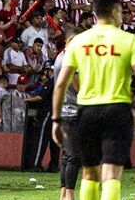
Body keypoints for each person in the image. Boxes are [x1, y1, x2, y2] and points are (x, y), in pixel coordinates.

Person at [51, 0, 135, 200]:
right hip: (117, 111)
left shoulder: (79, 42)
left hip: (87, 112)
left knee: (90, 174)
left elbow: (60, 85)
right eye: (121, 12)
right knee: (111, 175)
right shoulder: (128, 40)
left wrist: (56, 120)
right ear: (114, 12)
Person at [53, 27, 82, 200]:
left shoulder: (59, 58)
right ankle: (69, 195)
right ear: (67, 41)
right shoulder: (70, 60)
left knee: (67, 155)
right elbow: (78, 86)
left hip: (64, 110)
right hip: (72, 110)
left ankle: (63, 193)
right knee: (73, 156)